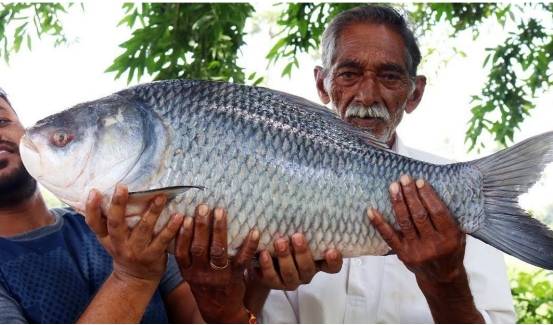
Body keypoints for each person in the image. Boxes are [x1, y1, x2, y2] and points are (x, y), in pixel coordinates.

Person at [256, 5, 516, 323]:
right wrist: (257, 281)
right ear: (322, 84)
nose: (367, 95)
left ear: (414, 93)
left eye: (389, 77)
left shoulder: (456, 194)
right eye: (349, 75)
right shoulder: (270, 179)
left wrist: (446, 283)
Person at [0, 87, 258, 323]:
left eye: (2, 121)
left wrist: (248, 286)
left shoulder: (121, 222)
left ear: (23, 128)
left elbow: (196, 318)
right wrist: (133, 277)